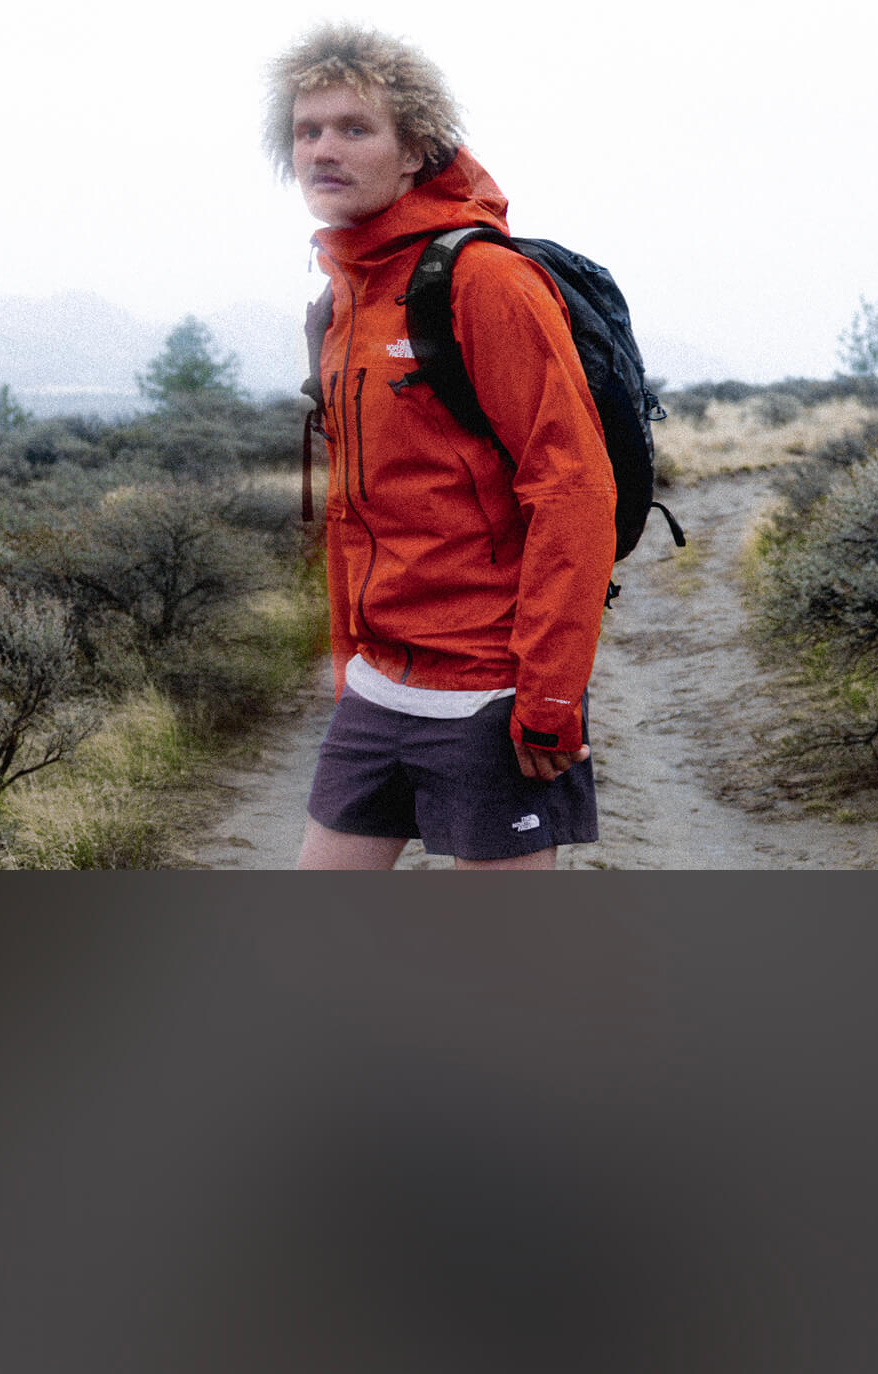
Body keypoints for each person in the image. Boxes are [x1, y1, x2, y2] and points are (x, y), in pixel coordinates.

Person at [264, 24, 616, 870]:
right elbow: (356, 507)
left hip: (495, 686)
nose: (323, 149)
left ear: (415, 148)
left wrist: (551, 693)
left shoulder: (482, 280)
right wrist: (350, 657)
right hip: (381, 683)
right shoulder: (349, 296)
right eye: (307, 130)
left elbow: (574, 493)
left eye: (355, 128)